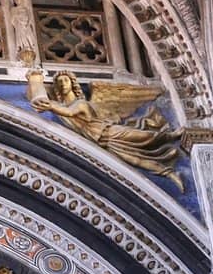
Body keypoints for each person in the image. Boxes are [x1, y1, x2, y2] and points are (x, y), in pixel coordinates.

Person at [30, 71, 182, 187]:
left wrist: (50, 106)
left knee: (145, 136)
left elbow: (69, 112)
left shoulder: (80, 103)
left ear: (72, 83)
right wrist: (35, 83)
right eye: (59, 82)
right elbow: (39, 97)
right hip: (102, 142)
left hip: (108, 131)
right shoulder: (61, 106)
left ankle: (171, 136)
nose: (63, 84)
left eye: (65, 80)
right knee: (135, 160)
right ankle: (169, 173)